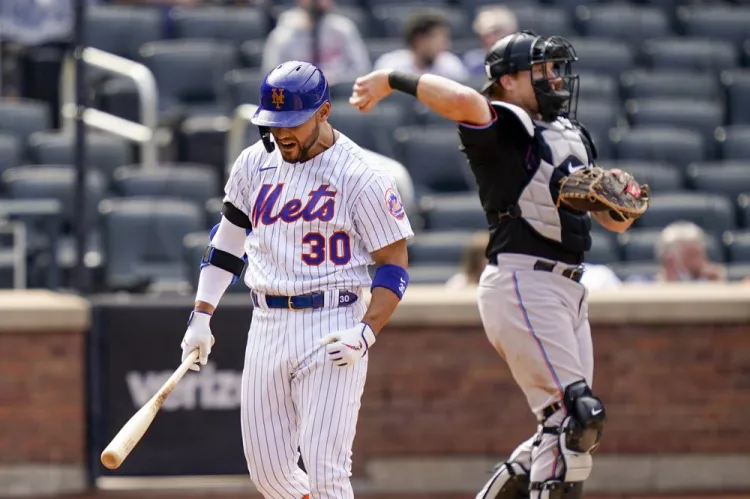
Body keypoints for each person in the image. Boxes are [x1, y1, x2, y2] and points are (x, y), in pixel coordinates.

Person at [350, 30, 649, 499]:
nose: (553, 78)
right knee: (575, 415)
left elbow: (614, 226)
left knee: (565, 429)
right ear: (508, 81)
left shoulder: (572, 134)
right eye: (541, 70)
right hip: (523, 281)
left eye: (555, 68)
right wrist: (392, 78)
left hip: (569, 288)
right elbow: (462, 100)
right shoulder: (504, 124)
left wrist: (618, 205)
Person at [180, 61, 413, 499]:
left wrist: (366, 332)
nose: (282, 132)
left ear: (323, 112)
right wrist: (201, 314)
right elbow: (227, 243)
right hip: (267, 321)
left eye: (294, 122)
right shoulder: (254, 162)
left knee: (326, 473)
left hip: (333, 321)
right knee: (269, 474)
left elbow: (394, 263)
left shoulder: (361, 175)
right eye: (273, 122)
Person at [262, 0, 371, 83]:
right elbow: (273, 78)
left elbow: (362, 70)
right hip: (300, 99)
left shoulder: (343, 28)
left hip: (338, 93)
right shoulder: (283, 35)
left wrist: (334, 79)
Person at [373, 11, 469, 82]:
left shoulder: (450, 65)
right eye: (440, 39)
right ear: (419, 39)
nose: (446, 45)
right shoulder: (391, 65)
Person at [654, 221, 726, 282]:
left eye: (702, 255)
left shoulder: (709, 282)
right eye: (693, 256)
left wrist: (718, 283)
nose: (702, 262)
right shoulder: (645, 288)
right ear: (669, 260)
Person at [463, 6, 519, 76]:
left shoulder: (524, 60)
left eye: (495, 32)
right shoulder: (473, 62)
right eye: (483, 34)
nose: (488, 39)